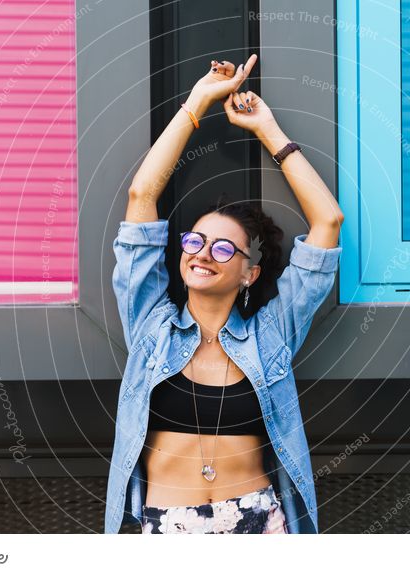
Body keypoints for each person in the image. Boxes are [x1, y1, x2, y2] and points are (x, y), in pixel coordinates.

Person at [106, 53, 344, 534]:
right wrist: (199, 101)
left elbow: (328, 222)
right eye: (193, 241)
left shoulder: (272, 334)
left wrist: (269, 131)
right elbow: (141, 198)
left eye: (222, 247)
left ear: (249, 273)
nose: (202, 254)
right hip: (165, 525)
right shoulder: (150, 326)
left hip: (259, 521)